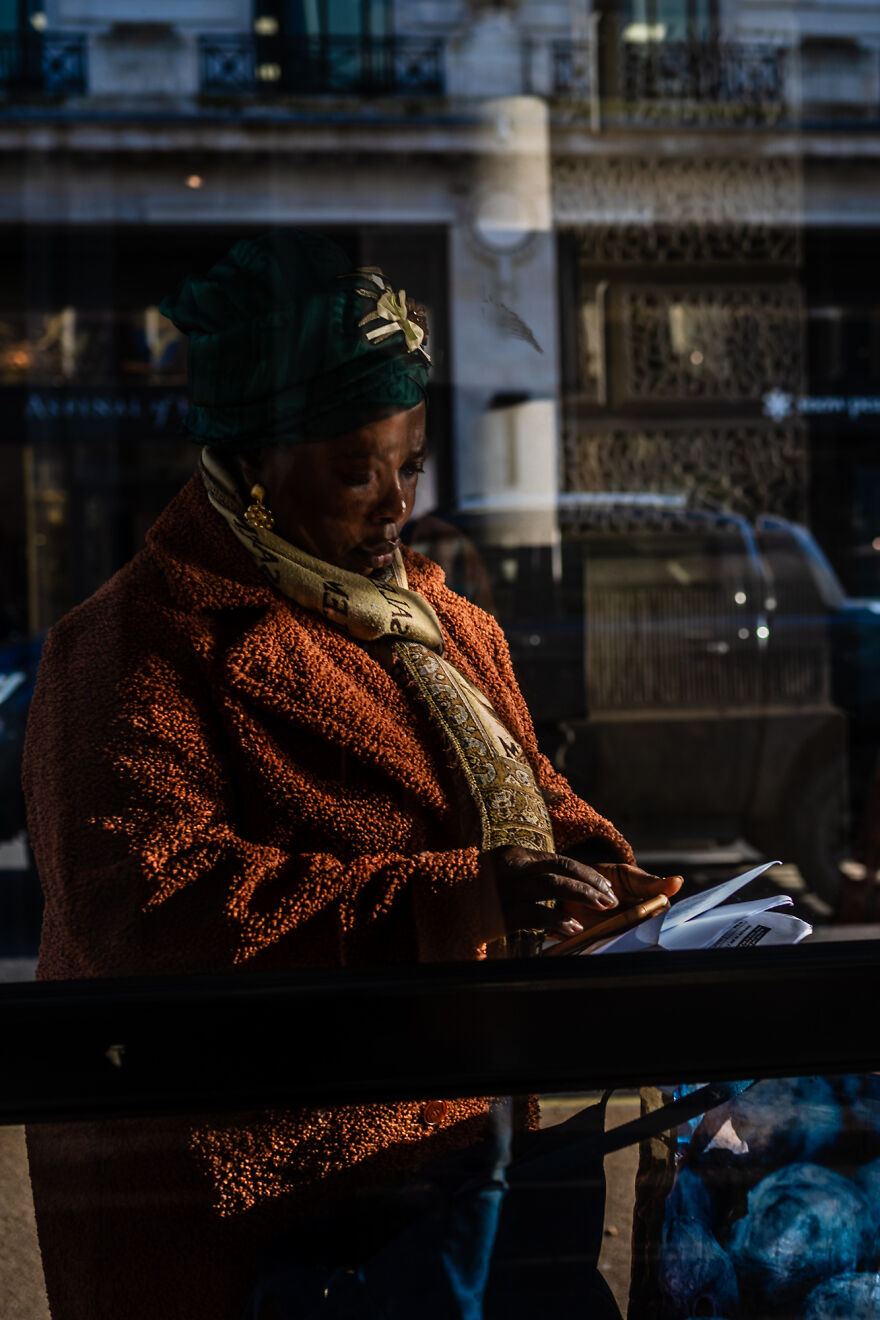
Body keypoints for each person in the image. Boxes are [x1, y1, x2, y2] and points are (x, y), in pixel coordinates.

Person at [22, 230, 682, 1320]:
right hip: (262, 1227)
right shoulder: (133, 644)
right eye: (352, 469)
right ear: (249, 468)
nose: (393, 503)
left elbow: (526, 794)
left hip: (456, 1178)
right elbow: (146, 908)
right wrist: (460, 893)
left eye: (409, 463)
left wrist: (605, 877)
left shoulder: (445, 628)